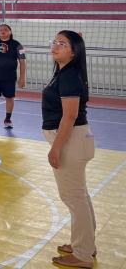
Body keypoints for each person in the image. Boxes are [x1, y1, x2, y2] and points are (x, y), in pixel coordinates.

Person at [43, 31, 96, 268]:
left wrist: (56, 149)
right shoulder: (64, 72)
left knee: (73, 197)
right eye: (55, 42)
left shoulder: (70, 76)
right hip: (75, 140)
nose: (55, 46)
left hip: (71, 141)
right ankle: (86, 245)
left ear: (73, 52)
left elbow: (70, 115)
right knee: (80, 196)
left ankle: (83, 255)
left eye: (62, 44)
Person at [0, 24, 27, 128]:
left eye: (5, 29)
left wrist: (22, 78)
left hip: (9, 77)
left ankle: (8, 119)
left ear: (10, 32)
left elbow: (22, 61)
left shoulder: (18, 45)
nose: (3, 31)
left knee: (9, 97)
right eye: (0, 29)